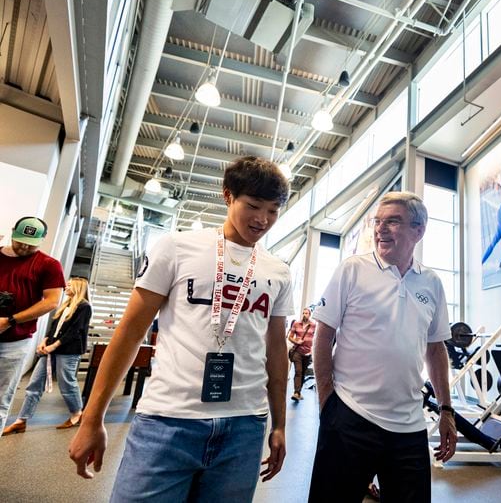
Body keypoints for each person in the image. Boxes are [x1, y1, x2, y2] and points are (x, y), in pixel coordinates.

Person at [68, 156, 293, 502]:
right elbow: (129, 334)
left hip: (244, 425)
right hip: (168, 420)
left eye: (273, 210)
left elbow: (276, 352)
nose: (263, 219)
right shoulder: (176, 247)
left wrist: (279, 425)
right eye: (253, 206)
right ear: (228, 195)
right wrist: (92, 418)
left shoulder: (277, 270)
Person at [307, 191, 457, 503]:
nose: (380, 228)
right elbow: (323, 335)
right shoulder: (352, 270)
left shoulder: (431, 283)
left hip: (410, 426)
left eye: (393, 221)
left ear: (418, 231)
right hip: (350, 415)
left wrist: (446, 410)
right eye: (378, 221)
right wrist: (327, 403)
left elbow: (436, 349)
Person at [0, 216, 65, 436]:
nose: (24, 246)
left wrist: (11, 320)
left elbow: (51, 301)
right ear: (12, 232)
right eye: (20, 241)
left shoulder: (49, 265)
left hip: (14, 342)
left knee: (1, 398)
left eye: (31, 243)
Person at [3, 277, 92, 435]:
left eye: (70, 285)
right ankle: (21, 421)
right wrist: (44, 341)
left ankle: (77, 414)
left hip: (68, 351)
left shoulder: (84, 307)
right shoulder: (65, 305)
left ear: (78, 287)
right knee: (34, 384)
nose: (66, 287)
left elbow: (75, 331)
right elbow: (53, 328)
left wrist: (54, 345)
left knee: (67, 384)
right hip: (50, 349)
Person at [287, 307, 316, 401]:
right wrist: (296, 341)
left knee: (303, 373)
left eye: (306, 313)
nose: (304, 315)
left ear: (309, 315)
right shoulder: (296, 324)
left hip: (308, 353)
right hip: (297, 352)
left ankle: (299, 392)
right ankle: (296, 393)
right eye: (303, 313)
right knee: (298, 371)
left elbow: (316, 339)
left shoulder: (313, 325)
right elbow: (290, 337)